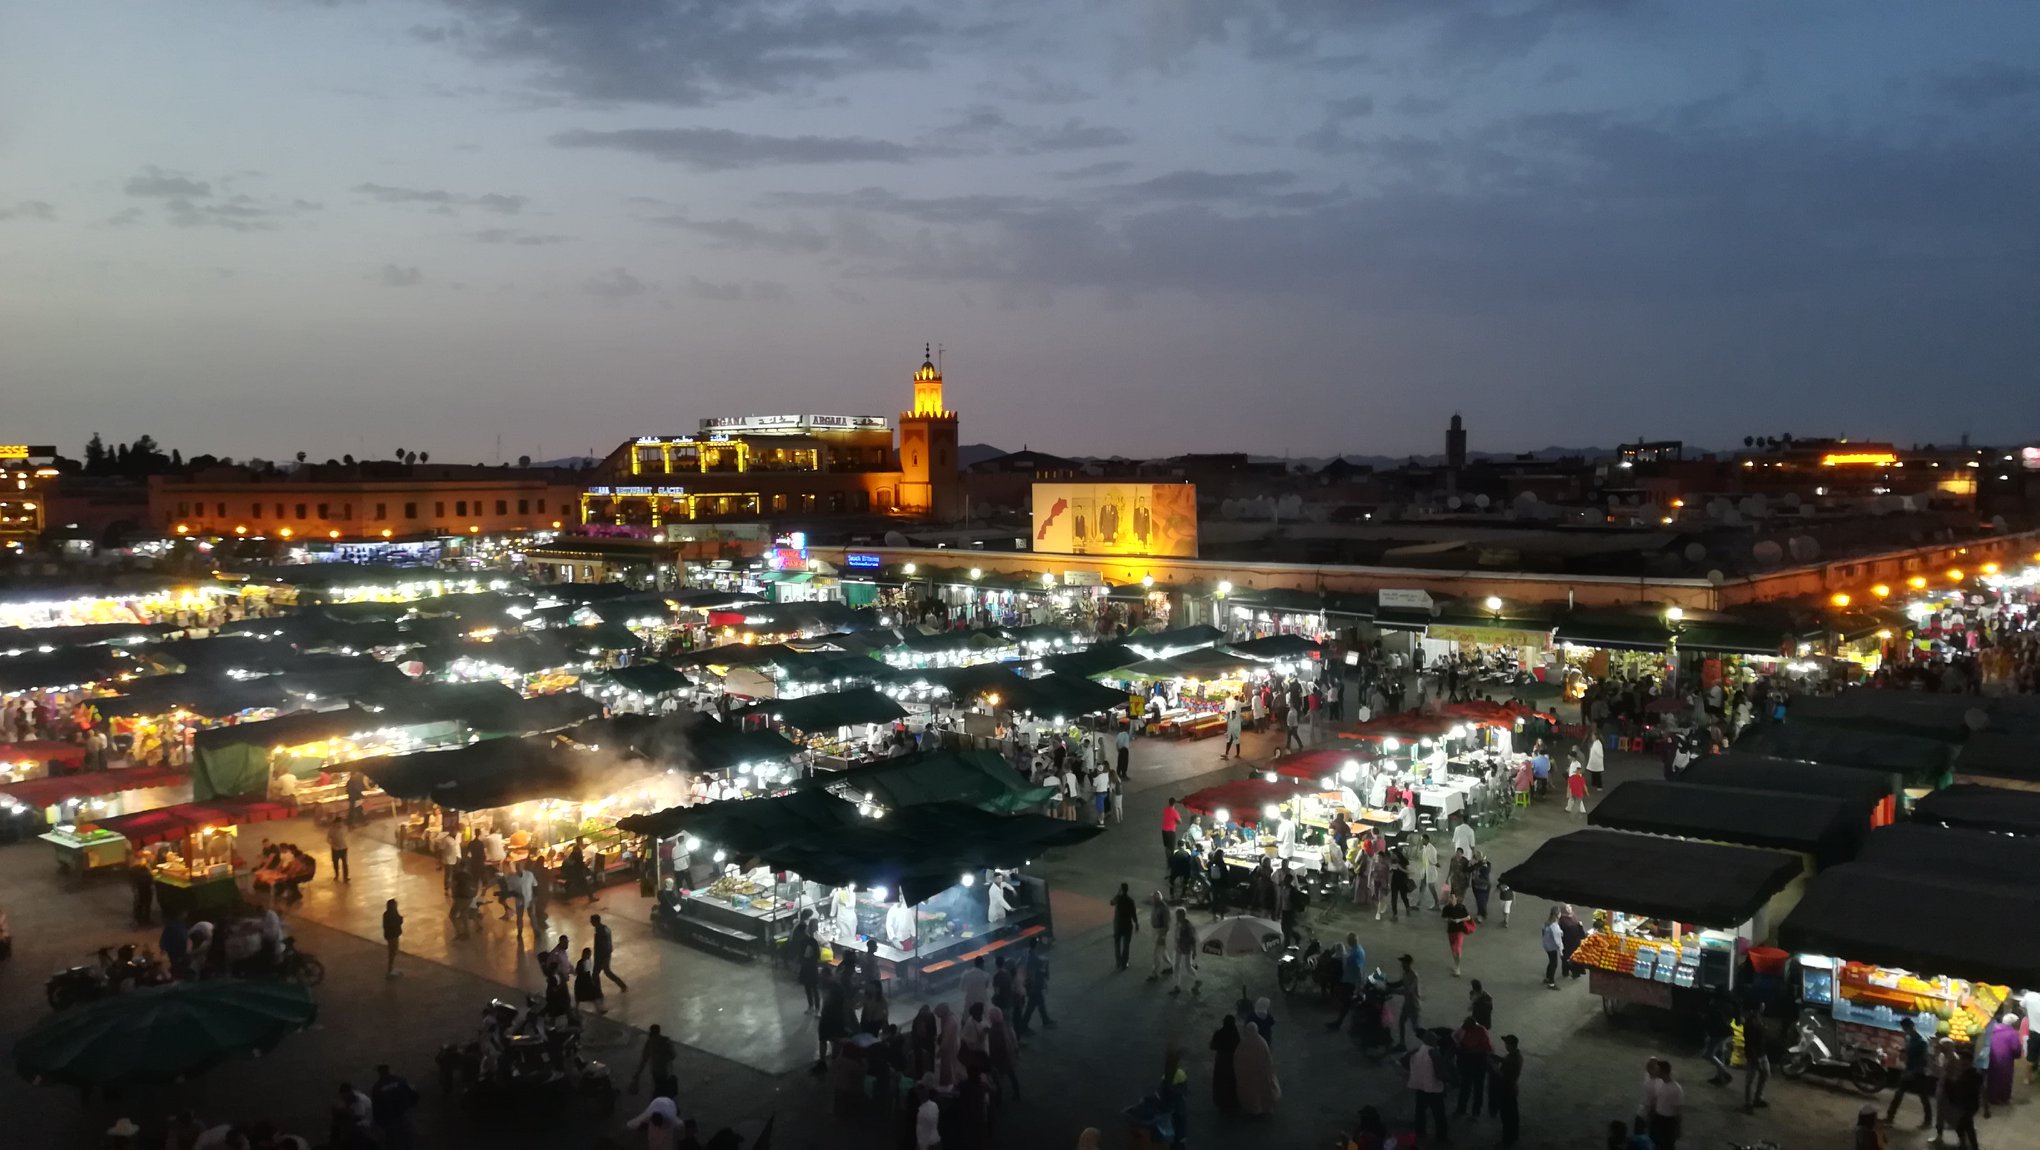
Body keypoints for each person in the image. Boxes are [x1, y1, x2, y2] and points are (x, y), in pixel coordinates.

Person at [1233, 1010, 1279, 1116]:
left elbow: (1237, 1058)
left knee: (1252, 1092)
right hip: (1261, 1073)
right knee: (1262, 1091)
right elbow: (1268, 1059)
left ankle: (1253, 1109)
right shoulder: (1262, 1043)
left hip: (1248, 1074)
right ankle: (1264, 1108)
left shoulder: (1243, 1043)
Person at [1406, 1031, 1448, 1140]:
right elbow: (1440, 1074)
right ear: (1433, 1041)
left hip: (1420, 1087)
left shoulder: (1416, 1050)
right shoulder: (1434, 1053)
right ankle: (1441, 1137)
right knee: (1439, 1114)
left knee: (1420, 1111)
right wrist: (1447, 1079)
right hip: (1433, 1088)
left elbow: (1404, 1060)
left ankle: (1420, 1131)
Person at [368, 1064, 418, 1150]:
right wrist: (408, 1106)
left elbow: (376, 1108)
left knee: (393, 1143)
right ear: (388, 1070)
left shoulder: (377, 1087)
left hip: (390, 1121)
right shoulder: (400, 1080)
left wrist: (379, 1122)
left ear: (379, 1073)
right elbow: (414, 1095)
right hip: (403, 1116)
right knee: (407, 1140)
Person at [1454, 1014, 1494, 1118]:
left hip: (1478, 1061)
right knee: (1465, 1086)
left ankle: (1475, 1111)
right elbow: (1456, 1037)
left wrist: (1471, 1051)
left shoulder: (1481, 1030)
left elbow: (1487, 1048)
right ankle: (1462, 1109)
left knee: (1477, 1087)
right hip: (1468, 1060)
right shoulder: (1464, 1029)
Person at [1638, 1058, 1683, 1150]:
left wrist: (1678, 1128)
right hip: (1657, 1118)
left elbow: (1678, 1110)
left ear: (1663, 1071)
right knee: (1653, 1143)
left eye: (1658, 1069)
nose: (1656, 1071)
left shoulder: (1676, 1089)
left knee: (1666, 1145)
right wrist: (1650, 1117)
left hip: (1668, 1122)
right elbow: (1655, 1100)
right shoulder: (1660, 1083)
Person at [631, 1024, 680, 1099]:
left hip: (656, 1071)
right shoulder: (666, 1040)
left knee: (658, 1089)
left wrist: (637, 1074)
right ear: (659, 1031)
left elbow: (644, 1059)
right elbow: (673, 1056)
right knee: (666, 1090)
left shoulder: (650, 1042)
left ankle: (657, 1101)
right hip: (666, 1070)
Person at [1492, 1034, 1523, 1146]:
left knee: (1506, 1117)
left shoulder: (1512, 1060)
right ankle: (1513, 1136)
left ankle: (1506, 1142)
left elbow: (1504, 1076)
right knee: (1513, 1115)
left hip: (1506, 1091)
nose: (1505, 1045)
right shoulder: (1516, 1055)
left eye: (1506, 1043)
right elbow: (1507, 1062)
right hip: (1512, 1090)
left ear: (1510, 1045)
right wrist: (1498, 1058)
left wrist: (1494, 1067)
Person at [1019, 937, 1054, 1031]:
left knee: (1040, 1002)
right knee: (1031, 1006)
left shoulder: (1027, 953)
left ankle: (1045, 1020)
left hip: (1032, 985)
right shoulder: (1033, 957)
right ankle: (1023, 1026)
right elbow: (1038, 969)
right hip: (1034, 986)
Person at [1388, 954, 1422, 1050]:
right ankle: (1402, 1044)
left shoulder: (1414, 976)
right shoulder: (1405, 974)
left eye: (1403, 963)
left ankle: (1429, 1043)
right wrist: (1388, 984)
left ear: (1408, 963)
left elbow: (1408, 991)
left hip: (1413, 1005)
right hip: (1407, 1004)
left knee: (1416, 1029)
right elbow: (1400, 983)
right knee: (1401, 1022)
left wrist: (1392, 991)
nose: (1401, 965)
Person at [1986, 1011, 2021, 1107]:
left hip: (1991, 1056)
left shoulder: (1993, 1029)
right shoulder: (2012, 1033)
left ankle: (1991, 1097)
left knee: (1992, 1077)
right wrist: (2017, 1055)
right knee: (2004, 1079)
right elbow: (2016, 1048)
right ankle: (2003, 1098)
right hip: (2005, 1059)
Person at [1741, 1002, 1770, 1114]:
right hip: (1755, 1055)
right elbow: (1750, 1043)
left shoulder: (1757, 1019)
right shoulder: (1751, 1022)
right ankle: (1748, 1103)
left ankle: (1757, 1098)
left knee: (1765, 1074)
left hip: (1761, 1053)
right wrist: (1755, 1058)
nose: (1764, 1007)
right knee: (1750, 1079)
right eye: (1762, 1005)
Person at [1701, 993, 1735, 1086]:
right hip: (1726, 1033)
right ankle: (1720, 1077)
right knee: (1720, 1054)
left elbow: (1709, 1024)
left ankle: (1724, 1073)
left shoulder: (1714, 1008)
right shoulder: (1727, 1006)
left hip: (1719, 1034)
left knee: (1708, 1054)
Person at [1209, 1015, 1241, 1112]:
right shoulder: (1235, 1033)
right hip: (1232, 1060)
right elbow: (1239, 1046)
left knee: (1221, 1080)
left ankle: (1221, 1101)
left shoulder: (1219, 1033)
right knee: (1231, 1080)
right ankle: (1232, 1101)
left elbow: (1212, 1046)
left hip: (1221, 1060)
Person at [590, 913, 627, 992]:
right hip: (606, 954)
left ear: (595, 921)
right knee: (604, 973)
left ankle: (597, 991)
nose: (591, 922)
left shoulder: (600, 931)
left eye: (592, 921)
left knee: (598, 974)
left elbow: (601, 945)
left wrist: (599, 958)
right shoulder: (605, 928)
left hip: (602, 956)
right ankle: (622, 985)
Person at [1170, 906, 1200, 996]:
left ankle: (1196, 979)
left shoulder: (1188, 926)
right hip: (1178, 948)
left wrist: (1194, 951)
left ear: (1183, 915)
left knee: (1188, 967)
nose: (1177, 917)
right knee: (1176, 965)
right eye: (1176, 915)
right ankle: (1177, 985)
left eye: (1178, 915)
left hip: (1186, 948)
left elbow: (1193, 939)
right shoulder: (1178, 924)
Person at [1442, 892, 1474, 976]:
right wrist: (1449, 919)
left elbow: (1468, 917)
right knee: (1453, 949)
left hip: (1459, 930)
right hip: (1451, 930)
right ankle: (1456, 965)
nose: (1450, 899)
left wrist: (1459, 920)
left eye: (1452, 898)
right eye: (1449, 898)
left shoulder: (1461, 907)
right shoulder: (1446, 908)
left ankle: (1457, 967)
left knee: (1458, 949)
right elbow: (1444, 918)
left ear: (1456, 898)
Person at [1110, 883, 1138, 971]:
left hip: (1118, 925)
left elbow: (1111, 902)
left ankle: (1118, 962)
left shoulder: (1118, 898)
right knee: (1126, 945)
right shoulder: (1130, 901)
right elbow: (1133, 913)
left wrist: (1118, 893)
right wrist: (1136, 923)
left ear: (1121, 890)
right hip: (1127, 925)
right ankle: (1124, 963)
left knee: (1117, 944)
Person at [1146, 891, 1171, 981]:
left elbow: (1167, 924)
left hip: (1161, 931)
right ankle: (1170, 966)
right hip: (1156, 930)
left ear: (1157, 899)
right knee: (1163, 951)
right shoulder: (1156, 906)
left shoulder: (1163, 908)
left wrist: (1162, 936)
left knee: (1156, 953)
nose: (1152, 899)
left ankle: (1155, 974)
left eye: (1153, 898)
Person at [574, 946, 605, 1014]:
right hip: (582, 982)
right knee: (589, 996)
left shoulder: (586, 961)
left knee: (591, 996)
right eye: (588, 954)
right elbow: (579, 972)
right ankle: (599, 1010)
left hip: (586, 981)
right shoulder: (581, 963)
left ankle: (599, 1009)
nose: (589, 956)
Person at [1541, 907, 1564, 989]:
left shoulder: (1548, 922)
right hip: (1552, 947)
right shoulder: (1554, 926)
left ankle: (1547, 978)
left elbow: (1543, 932)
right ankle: (1551, 983)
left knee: (1551, 962)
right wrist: (1561, 951)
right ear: (1557, 915)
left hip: (1547, 945)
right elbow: (1558, 941)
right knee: (1554, 964)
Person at [381, 899, 403, 978]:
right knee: (392, 952)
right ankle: (390, 970)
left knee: (393, 952)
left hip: (391, 935)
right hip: (393, 935)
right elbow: (398, 922)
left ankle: (391, 968)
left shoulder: (386, 914)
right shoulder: (392, 914)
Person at [324, 817, 350, 883]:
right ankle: (336, 875)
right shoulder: (332, 830)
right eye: (338, 823)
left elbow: (347, 836)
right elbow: (328, 839)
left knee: (345, 863)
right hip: (335, 849)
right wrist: (332, 845)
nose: (340, 824)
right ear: (335, 823)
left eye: (341, 823)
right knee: (335, 863)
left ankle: (345, 877)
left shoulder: (345, 828)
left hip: (343, 848)